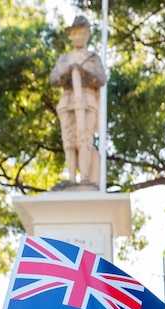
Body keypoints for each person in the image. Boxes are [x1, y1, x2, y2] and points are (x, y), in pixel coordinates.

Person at [49, 16, 106, 186]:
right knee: (68, 140)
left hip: (87, 98)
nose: (78, 37)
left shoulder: (93, 58)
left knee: (84, 138)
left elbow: (101, 79)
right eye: (75, 33)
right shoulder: (64, 59)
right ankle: (72, 178)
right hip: (68, 98)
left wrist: (82, 72)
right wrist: (68, 72)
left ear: (87, 34)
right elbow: (53, 80)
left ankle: (86, 178)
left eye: (82, 33)